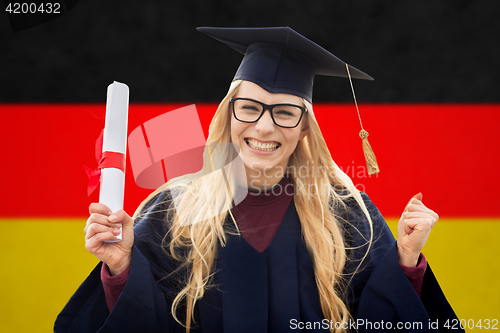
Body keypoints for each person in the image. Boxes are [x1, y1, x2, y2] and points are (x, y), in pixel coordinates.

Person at [55, 27, 462, 332]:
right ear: (228, 114)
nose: (264, 127)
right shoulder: (174, 212)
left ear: (304, 128)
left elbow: (381, 317)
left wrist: (406, 262)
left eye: (284, 112)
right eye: (249, 108)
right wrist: (122, 267)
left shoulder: (348, 215)